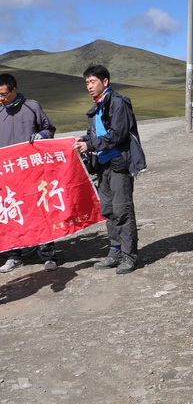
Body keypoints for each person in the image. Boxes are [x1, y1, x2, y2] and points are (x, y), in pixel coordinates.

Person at [74, 65, 144, 275]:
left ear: (105, 82)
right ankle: (115, 251)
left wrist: (91, 145)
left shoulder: (118, 102)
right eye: (86, 82)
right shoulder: (97, 106)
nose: (89, 86)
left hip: (119, 164)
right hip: (102, 165)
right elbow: (95, 134)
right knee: (108, 210)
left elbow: (118, 134)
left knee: (122, 210)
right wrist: (84, 139)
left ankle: (129, 256)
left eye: (92, 81)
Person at [0, 73, 58, 273]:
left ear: (14, 90)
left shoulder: (32, 107)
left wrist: (42, 135)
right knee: (11, 214)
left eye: (4, 94)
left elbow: (49, 129)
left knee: (40, 212)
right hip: (8, 174)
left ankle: (48, 255)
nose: (1, 99)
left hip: (32, 171)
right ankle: (15, 256)